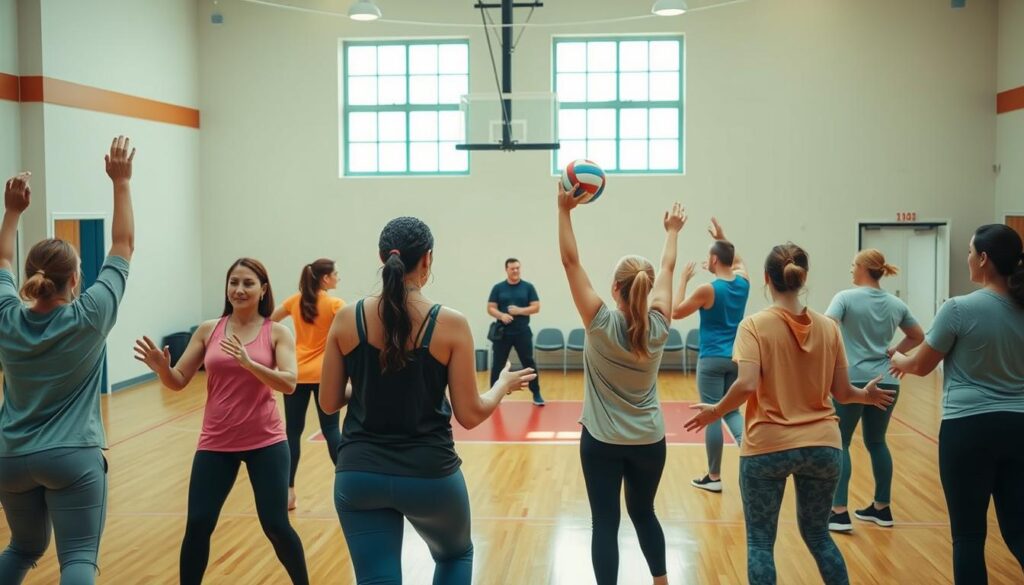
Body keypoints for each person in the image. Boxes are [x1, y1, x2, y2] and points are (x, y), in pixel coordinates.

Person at [319, 216, 536, 585]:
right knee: (456, 555)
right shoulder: (450, 323)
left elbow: (328, 402)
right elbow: (469, 414)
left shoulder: (346, 318)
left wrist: (369, 383)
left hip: (358, 475)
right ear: (428, 260)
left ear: (381, 257)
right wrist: (501, 385)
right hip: (430, 475)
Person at [685, 243, 894, 585]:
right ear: (804, 277)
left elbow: (747, 384)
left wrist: (717, 410)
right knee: (819, 537)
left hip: (768, 447)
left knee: (761, 543)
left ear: (767, 279)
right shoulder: (829, 327)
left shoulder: (754, 326)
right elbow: (842, 393)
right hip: (824, 448)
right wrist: (865, 396)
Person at [0, 137, 135, 585]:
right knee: (77, 558)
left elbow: (1, 255)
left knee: (22, 548)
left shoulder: (7, 316)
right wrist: (121, 182)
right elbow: (123, 243)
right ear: (76, 279)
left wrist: (13, 211)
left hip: (11, 458)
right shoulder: (90, 316)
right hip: (71, 458)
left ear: (30, 277)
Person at [133, 258, 309, 585]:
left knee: (275, 525)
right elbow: (179, 380)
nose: (239, 290)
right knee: (198, 523)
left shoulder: (277, 333)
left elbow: (289, 383)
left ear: (263, 290)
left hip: (266, 443)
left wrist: (249, 362)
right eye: (234, 283)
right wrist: (161, 368)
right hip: (216, 443)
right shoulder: (208, 329)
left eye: (248, 283)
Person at [557, 180, 683, 585]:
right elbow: (666, 269)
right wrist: (672, 232)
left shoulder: (598, 322)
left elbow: (571, 264)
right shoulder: (661, 325)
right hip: (649, 442)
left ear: (614, 289)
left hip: (602, 444)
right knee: (644, 513)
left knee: (605, 523)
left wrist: (563, 210)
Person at [891, 224, 1024, 584]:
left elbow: (920, 365)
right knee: (1018, 530)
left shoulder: (958, 308)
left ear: (983, 259)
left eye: (969, 252)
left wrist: (897, 359)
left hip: (968, 430)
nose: (966, 258)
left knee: (968, 535)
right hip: (1019, 429)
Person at [825, 249, 923, 532]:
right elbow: (918, 336)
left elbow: (827, 328)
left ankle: (839, 512)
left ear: (865, 268)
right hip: (887, 380)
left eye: (853, 265)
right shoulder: (895, 304)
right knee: (877, 442)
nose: (851, 270)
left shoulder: (844, 298)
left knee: (841, 442)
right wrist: (894, 350)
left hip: (852, 380)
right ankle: (882, 508)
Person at [672, 217, 749, 493]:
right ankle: (751, 458)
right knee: (731, 412)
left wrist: (682, 278)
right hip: (736, 360)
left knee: (712, 413)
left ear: (714, 260)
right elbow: (738, 262)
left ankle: (714, 477)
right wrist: (723, 235)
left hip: (711, 359)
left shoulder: (708, 289)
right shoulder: (743, 283)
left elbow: (676, 311)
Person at [271, 258, 345, 510]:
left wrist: (280, 349)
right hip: (326, 374)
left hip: (297, 372)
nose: (338, 277)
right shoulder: (335, 304)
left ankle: (288, 493)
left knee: (293, 432)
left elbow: (270, 321)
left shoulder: (294, 301)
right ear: (325, 279)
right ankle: (348, 486)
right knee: (332, 430)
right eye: (336, 274)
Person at [487, 258, 544, 405]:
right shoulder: (498, 288)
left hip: (522, 332)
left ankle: (536, 394)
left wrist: (520, 310)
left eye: (518, 268)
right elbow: (491, 307)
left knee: (528, 363)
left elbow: (536, 307)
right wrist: (501, 315)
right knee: (498, 364)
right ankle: (494, 395)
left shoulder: (528, 287)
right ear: (506, 269)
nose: (515, 271)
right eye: (512, 268)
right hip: (502, 334)